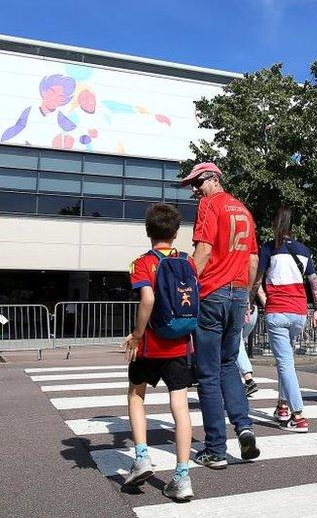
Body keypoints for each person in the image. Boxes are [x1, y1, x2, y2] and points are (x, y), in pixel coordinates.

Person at [180, 162, 260, 469]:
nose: (196, 189)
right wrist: (248, 295)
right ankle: (244, 427)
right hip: (239, 292)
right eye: (193, 185)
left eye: (198, 182)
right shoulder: (243, 210)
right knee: (229, 365)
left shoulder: (209, 205)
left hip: (212, 293)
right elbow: (253, 259)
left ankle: (215, 448)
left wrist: (183, 287)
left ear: (214, 179)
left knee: (208, 373)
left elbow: (202, 251)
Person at [120, 203, 196, 501]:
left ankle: (141, 457)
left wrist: (137, 335)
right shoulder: (187, 263)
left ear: (147, 231)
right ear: (176, 233)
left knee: (136, 394)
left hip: (151, 344)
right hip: (180, 344)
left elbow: (148, 298)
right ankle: (181, 477)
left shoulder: (142, 263)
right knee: (180, 405)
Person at [255, 206, 317, 432]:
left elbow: (257, 280)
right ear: (292, 228)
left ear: (275, 225)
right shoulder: (304, 250)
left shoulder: (268, 248)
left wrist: (249, 301)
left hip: (277, 312)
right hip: (298, 313)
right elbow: (313, 281)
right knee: (286, 363)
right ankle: (282, 406)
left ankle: (298, 415)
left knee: (285, 364)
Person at [236, 303, 259, 396]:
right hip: (253, 311)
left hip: (241, 308)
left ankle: (248, 380)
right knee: (238, 343)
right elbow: (260, 292)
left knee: (236, 343)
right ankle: (237, 383)